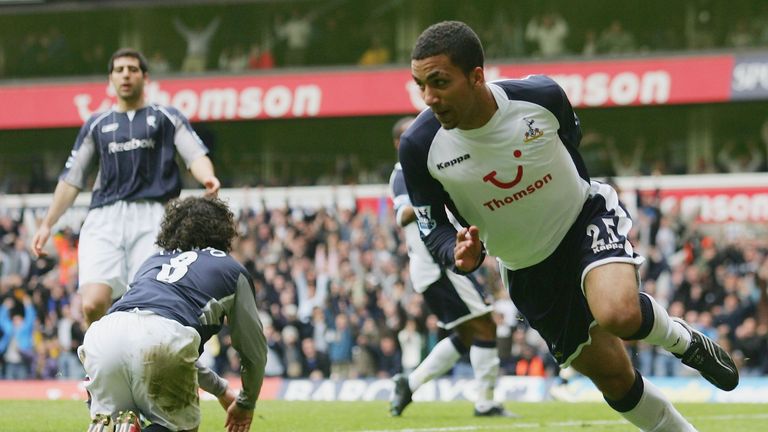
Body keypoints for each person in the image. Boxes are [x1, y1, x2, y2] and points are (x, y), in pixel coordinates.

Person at [398, 21, 738, 431]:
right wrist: (455, 253)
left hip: (581, 222)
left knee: (619, 314)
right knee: (614, 378)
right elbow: (430, 227)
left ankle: (684, 343)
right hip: (526, 268)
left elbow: (572, 146)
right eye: (421, 85)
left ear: (476, 76)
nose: (429, 98)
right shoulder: (418, 146)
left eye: (439, 82)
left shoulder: (539, 97)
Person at [31, 48, 220, 327]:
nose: (125, 75)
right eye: (119, 70)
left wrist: (208, 178)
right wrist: (47, 223)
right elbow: (73, 177)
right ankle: (99, 367)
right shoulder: (96, 124)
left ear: (145, 77)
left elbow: (194, 154)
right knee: (93, 303)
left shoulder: (167, 116)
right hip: (104, 217)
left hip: (154, 217)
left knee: (147, 306)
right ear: (111, 80)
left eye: (132, 69)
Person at [80, 196, 267, 432]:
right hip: (165, 336)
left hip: (105, 333)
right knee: (180, 428)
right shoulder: (231, 268)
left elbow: (147, 336)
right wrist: (246, 402)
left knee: (116, 423)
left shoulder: (152, 262)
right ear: (222, 230)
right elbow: (254, 353)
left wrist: (220, 389)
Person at [388, 116, 513, 417]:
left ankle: (410, 382)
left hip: (436, 266)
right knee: (484, 324)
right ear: (398, 144)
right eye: (408, 136)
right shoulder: (403, 174)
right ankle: (485, 401)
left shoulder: (428, 167)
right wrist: (427, 203)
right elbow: (402, 213)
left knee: (467, 333)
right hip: (439, 265)